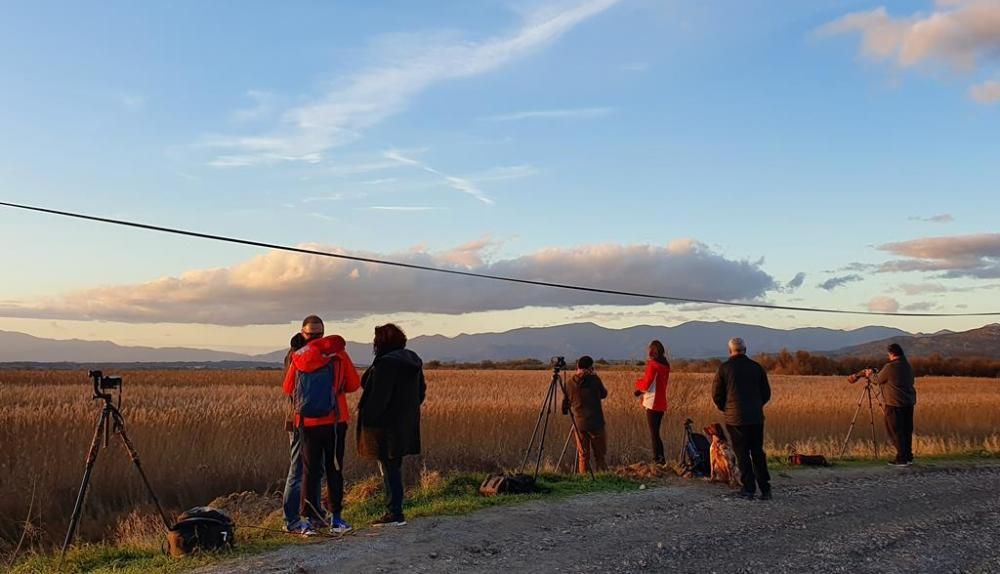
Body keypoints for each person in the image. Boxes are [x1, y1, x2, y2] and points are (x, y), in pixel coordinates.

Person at [282, 316, 361, 535]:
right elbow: (354, 384)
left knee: (309, 472)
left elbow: (288, 388)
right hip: (335, 421)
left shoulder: (297, 357)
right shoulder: (338, 354)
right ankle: (336, 520)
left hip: (306, 423)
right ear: (323, 334)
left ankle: (308, 520)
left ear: (302, 333)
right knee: (334, 469)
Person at [357, 323, 426, 527]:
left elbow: (379, 398)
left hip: (385, 427)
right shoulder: (412, 361)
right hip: (404, 423)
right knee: (394, 466)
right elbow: (420, 392)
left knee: (389, 467)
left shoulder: (386, 364)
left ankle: (394, 512)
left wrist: (366, 420)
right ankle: (395, 510)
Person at [712, 337, 772, 501]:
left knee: (742, 453)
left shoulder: (724, 369)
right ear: (745, 349)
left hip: (735, 419)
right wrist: (756, 406)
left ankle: (749, 488)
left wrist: (726, 408)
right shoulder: (757, 368)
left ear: (730, 351)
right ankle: (765, 488)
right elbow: (766, 393)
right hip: (756, 417)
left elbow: (716, 395)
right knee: (757, 452)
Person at [865, 343, 917, 467]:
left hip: (894, 404)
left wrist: (869, 374)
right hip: (908, 403)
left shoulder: (891, 367)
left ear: (892, 354)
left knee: (895, 431)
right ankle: (908, 456)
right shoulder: (908, 366)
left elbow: (877, 380)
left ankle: (901, 459)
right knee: (906, 430)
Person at [561, 355, 609, 473]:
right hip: (596, 423)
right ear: (590, 368)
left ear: (577, 367)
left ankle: (585, 481)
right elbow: (603, 394)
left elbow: (564, 408)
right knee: (600, 455)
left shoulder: (568, 383)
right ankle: (604, 478)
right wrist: (595, 376)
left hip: (579, 424)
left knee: (583, 456)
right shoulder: (595, 380)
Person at [634, 340, 671, 464]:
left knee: (654, 434)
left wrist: (637, 384)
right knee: (656, 433)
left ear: (651, 352)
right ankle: (661, 460)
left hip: (652, 403)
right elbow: (656, 384)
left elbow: (646, 384)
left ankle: (658, 461)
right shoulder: (665, 365)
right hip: (661, 402)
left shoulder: (653, 365)